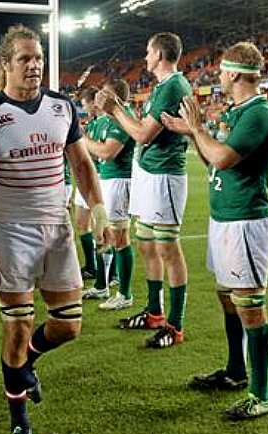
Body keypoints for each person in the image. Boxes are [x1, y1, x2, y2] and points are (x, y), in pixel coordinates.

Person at [0, 24, 111, 434]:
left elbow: (82, 166)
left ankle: (27, 365)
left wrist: (97, 210)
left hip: (58, 228)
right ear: (5, 64)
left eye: (38, 58)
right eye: (25, 58)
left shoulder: (63, 107)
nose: (35, 65)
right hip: (12, 230)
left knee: (69, 326)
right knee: (17, 327)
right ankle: (20, 421)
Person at [162, 41, 268, 419]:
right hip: (226, 218)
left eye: (222, 70)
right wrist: (192, 133)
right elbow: (212, 162)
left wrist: (197, 127)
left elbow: (225, 158)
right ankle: (235, 371)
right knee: (228, 298)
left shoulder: (259, 113)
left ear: (233, 73)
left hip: (246, 220)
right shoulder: (239, 111)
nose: (218, 76)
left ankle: (261, 395)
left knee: (250, 306)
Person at [97, 32, 192, 348]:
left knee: (168, 249)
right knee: (147, 244)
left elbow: (141, 134)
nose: (145, 57)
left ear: (161, 55)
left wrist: (114, 110)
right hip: (149, 175)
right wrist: (120, 108)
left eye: (149, 51)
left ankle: (175, 325)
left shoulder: (174, 86)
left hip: (165, 176)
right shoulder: (163, 87)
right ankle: (154, 312)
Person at [86, 79, 136, 311]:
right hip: (106, 180)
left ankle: (124, 294)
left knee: (120, 238)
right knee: (103, 235)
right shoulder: (107, 119)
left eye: (105, 93)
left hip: (119, 181)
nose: (100, 97)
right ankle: (102, 286)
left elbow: (107, 152)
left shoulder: (122, 118)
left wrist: (82, 140)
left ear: (115, 97)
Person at [79, 86, 113, 299]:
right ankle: (93, 268)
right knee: (83, 224)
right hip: (86, 179)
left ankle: (109, 276)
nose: (85, 109)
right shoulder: (92, 123)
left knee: (105, 230)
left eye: (85, 104)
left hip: (102, 180)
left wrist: (82, 140)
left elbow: (102, 151)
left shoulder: (107, 122)